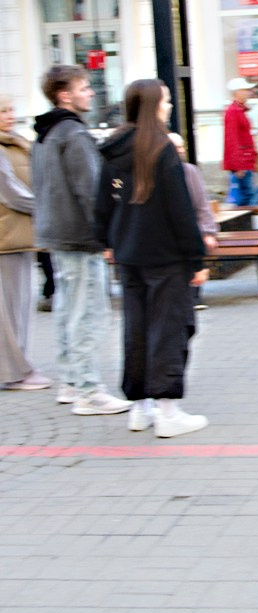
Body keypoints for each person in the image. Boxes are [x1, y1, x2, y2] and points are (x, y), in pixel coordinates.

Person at [95, 80, 209, 438]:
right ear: (153, 106)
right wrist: (196, 258)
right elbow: (180, 212)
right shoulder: (161, 149)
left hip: (129, 254)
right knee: (169, 328)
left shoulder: (113, 149)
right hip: (166, 257)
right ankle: (167, 410)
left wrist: (107, 240)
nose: (170, 106)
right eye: (166, 101)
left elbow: (100, 204)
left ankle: (139, 407)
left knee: (137, 328)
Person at [32, 67, 130, 416]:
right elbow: (92, 191)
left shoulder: (46, 133)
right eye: (84, 88)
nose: (90, 93)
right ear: (64, 95)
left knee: (67, 310)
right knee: (86, 313)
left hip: (57, 234)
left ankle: (72, 382)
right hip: (79, 237)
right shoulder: (73, 134)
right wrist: (108, 233)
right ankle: (88, 390)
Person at [0, 95, 52, 390]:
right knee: (9, 309)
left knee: (19, 304)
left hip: (17, 235)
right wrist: (47, 206)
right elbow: (11, 193)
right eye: (3, 111)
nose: (10, 115)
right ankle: (13, 372)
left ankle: (19, 367)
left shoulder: (13, 143)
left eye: (11, 109)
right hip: (7, 236)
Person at [168, 131, 218, 310]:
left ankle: (194, 295)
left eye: (182, 146)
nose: (180, 151)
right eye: (176, 147)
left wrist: (208, 232)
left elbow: (202, 204)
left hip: (191, 227)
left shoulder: (190, 171)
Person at [222, 77, 258, 206]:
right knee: (245, 196)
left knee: (246, 195)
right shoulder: (233, 111)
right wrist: (238, 165)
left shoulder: (240, 110)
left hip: (245, 161)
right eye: (245, 90)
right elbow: (232, 139)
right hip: (242, 162)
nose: (248, 92)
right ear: (237, 92)